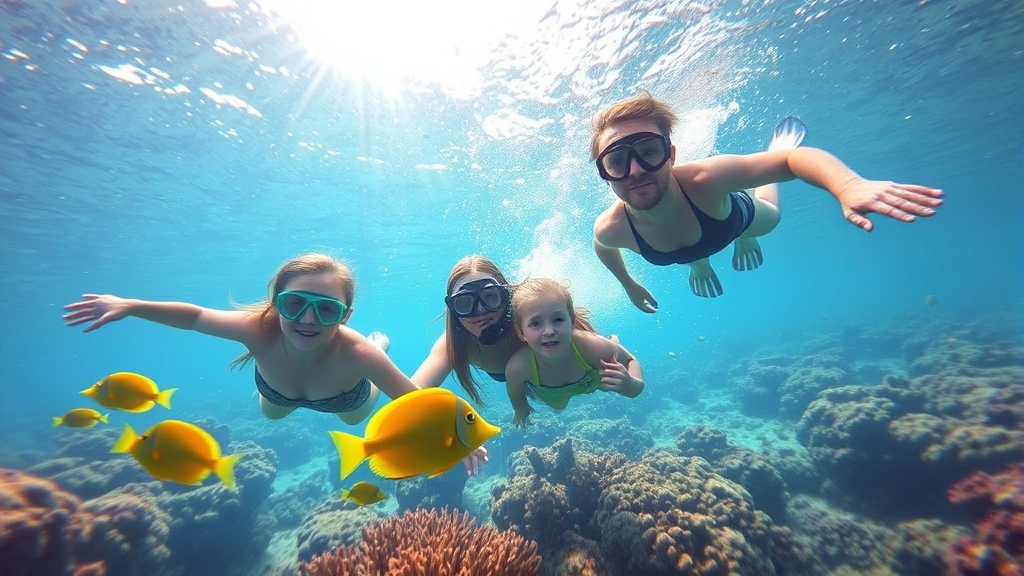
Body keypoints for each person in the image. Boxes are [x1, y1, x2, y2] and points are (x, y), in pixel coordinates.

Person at [591, 91, 945, 308]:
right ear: (604, 174)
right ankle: (698, 262)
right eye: (617, 161)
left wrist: (847, 184)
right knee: (692, 250)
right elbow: (602, 248)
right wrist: (630, 285)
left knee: (771, 218)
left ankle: (744, 231)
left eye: (648, 151)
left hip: (732, 219)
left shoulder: (705, 179)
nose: (635, 170)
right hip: (691, 243)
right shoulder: (611, 229)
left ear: (671, 154)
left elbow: (793, 162)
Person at [62, 253, 419, 424]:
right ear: (275, 306)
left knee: (354, 421)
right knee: (272, 415)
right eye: (294, 304)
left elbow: (415, 401)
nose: (307, 319)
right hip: (276, 393)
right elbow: (196, 317)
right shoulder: (258, 329)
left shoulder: (357, 353)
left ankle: (380, 346)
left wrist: (462, 443)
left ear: (345, 316)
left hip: (345, 400)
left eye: (326, 309)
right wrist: (131, 305)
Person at [410, 255, 595, 472]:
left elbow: (581, 337)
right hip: (517, 376)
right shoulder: (453, 345)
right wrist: (454, 438)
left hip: (543, 369)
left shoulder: (531, 312)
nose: (480, 312)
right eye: (465, 303)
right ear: (452, 308)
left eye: (490, 297)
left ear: (505, 295)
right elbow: (411, 395)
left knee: (559, 402)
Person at [504, 278, 644, 427]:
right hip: (554, 394)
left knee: (606, 380)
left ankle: (613, 343)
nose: (549, 331)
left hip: (593, 378)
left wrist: (631, 384)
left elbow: (630, 360)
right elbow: (516, 394)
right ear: (521, 332)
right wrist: (520, 408)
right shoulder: (517, 368)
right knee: (559, 407)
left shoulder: (592, 347)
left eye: (557, 319)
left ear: (571, 321)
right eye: (535, 323)